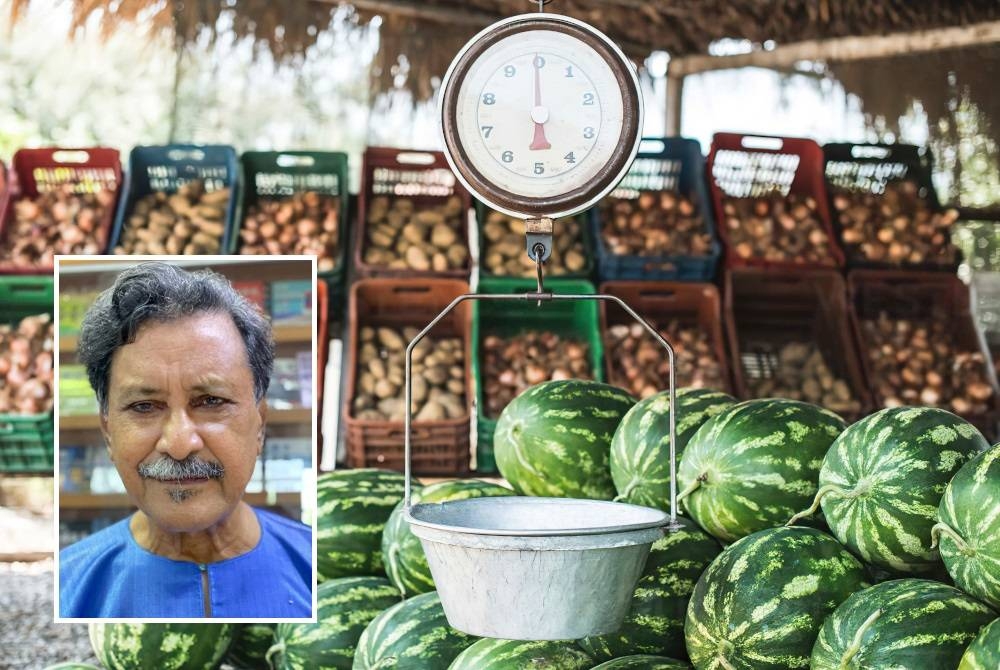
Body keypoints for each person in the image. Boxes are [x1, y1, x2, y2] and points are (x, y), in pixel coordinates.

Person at [59, 261, 312, 618]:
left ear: (260, 425)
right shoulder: (67, 587)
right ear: (108, 434)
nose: (179, 444)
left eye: (211, 402)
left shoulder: (320, 573)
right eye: (144, 406)